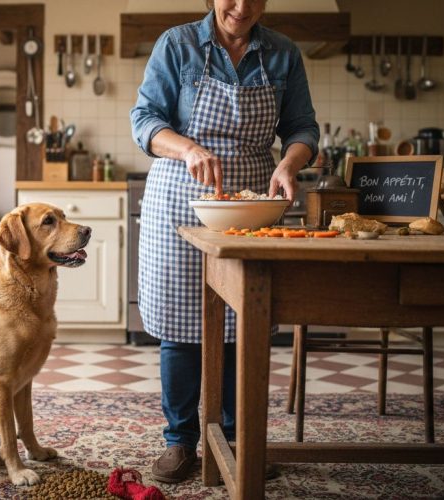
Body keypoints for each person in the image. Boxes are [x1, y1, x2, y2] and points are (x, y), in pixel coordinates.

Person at [130, 0, 319, 484]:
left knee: (243, 321)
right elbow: (145, 121)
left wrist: (288, 164)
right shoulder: (178, 44)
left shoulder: (282, 53)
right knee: (180, 324)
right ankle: (180, 441)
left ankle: (238, 440)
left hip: (252, 200)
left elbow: (302, 128)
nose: (241, 6)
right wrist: (188, 147)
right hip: (180, 196)